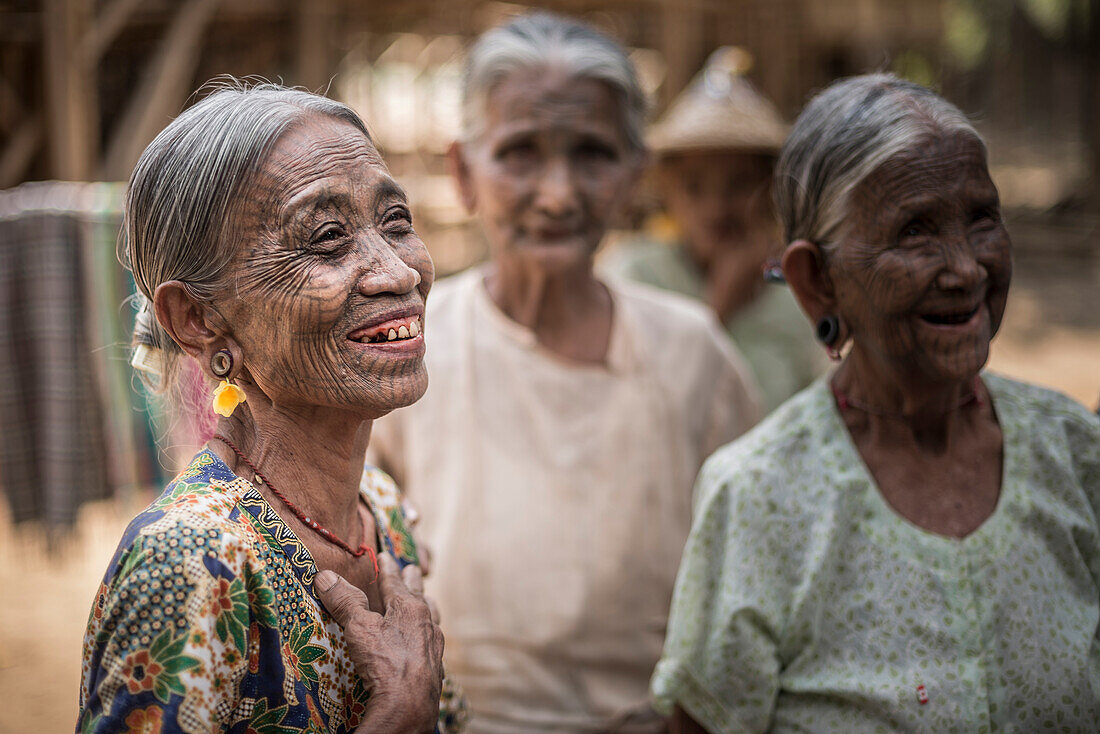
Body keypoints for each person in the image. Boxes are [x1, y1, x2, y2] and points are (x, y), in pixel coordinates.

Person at [651, 73, 1100, 732]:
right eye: (915, 231)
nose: (968, 268)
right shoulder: (761, 495)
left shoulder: (1073, 449)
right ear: (816, 281)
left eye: (982, 220)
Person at [367, 12, 761, 733]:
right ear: (464, 172)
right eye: (520, 153)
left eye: (591, 154)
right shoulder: (407, 351)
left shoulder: (690, 352)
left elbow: (756, 575)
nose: (557, 194)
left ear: (635, 175)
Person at [77, 82, 466, 733]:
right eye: (327, 237)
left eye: (396, 221)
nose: (398, 272)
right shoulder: (188, 565)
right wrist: (401, 714)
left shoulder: (378, 510)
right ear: (201, 320)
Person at [600, 48, 825, 413]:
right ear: (666, 191)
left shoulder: (796, 283)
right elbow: (635, 406)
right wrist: (720, 303)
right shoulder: (633, 275)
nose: (716, 208)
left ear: (769, 188)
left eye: (737, 186)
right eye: (694, 188)